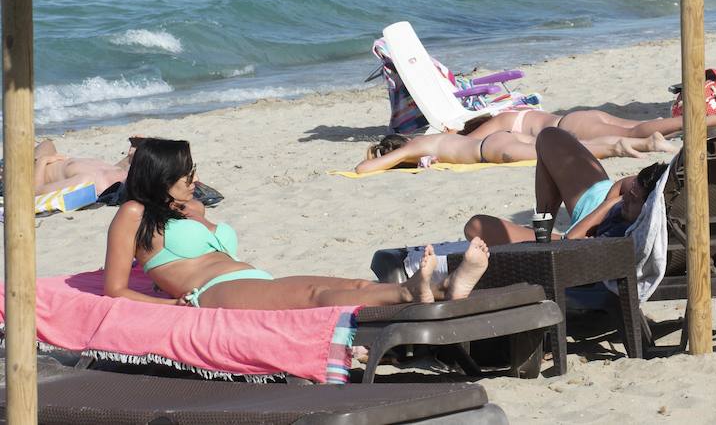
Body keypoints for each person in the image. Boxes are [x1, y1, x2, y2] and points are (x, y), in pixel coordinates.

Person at [103, 138, 490, 308]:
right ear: (160, 176)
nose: (194, 181)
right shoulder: (134, 213)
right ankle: (410, 293)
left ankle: (445, 286)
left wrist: (198, 213)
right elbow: (115, 288)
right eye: (185, 174)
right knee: (314, 298)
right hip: (211, 294)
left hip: (254, 281)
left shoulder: (190, 210)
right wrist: (172, 305)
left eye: (193, 172)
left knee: (357, 285)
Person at [464, 128, 668, 244]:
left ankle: (542, 236)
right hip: (593, 208)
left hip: (571, 240)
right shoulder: (644, 201)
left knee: (476, 226)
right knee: (549, 136)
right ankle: (542, 229)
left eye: (632, 199)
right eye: (630, 194)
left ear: (650, 210)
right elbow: (626, 183)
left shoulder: (621, 235)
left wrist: (609, 205)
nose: (626, 198)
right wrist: (612, 199)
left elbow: (571, 241)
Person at [356, 128, 675, 174]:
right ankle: (648, 143)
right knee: (568, 146)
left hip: (491, 151)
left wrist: (374, 159)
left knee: (567, 153)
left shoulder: (412, 147)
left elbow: (362, 170)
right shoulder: (431, 138)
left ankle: (620, 147)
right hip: (495, 139)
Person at [457, 104, 716, 145]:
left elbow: (469, 143)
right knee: (643, 125)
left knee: (636, 132)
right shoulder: (516, 112)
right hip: (581, 116)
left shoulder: (501, 121)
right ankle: (707, 123)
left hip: (571, 127)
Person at [35, 139, 131, 199]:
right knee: (47, 143)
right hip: (46, 157)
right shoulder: (122, 173)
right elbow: (116, 168)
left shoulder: (86, 181)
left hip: (33, 172)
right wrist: (130, 156)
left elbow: (36, 191)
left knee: (46, 144)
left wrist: (42, 161)